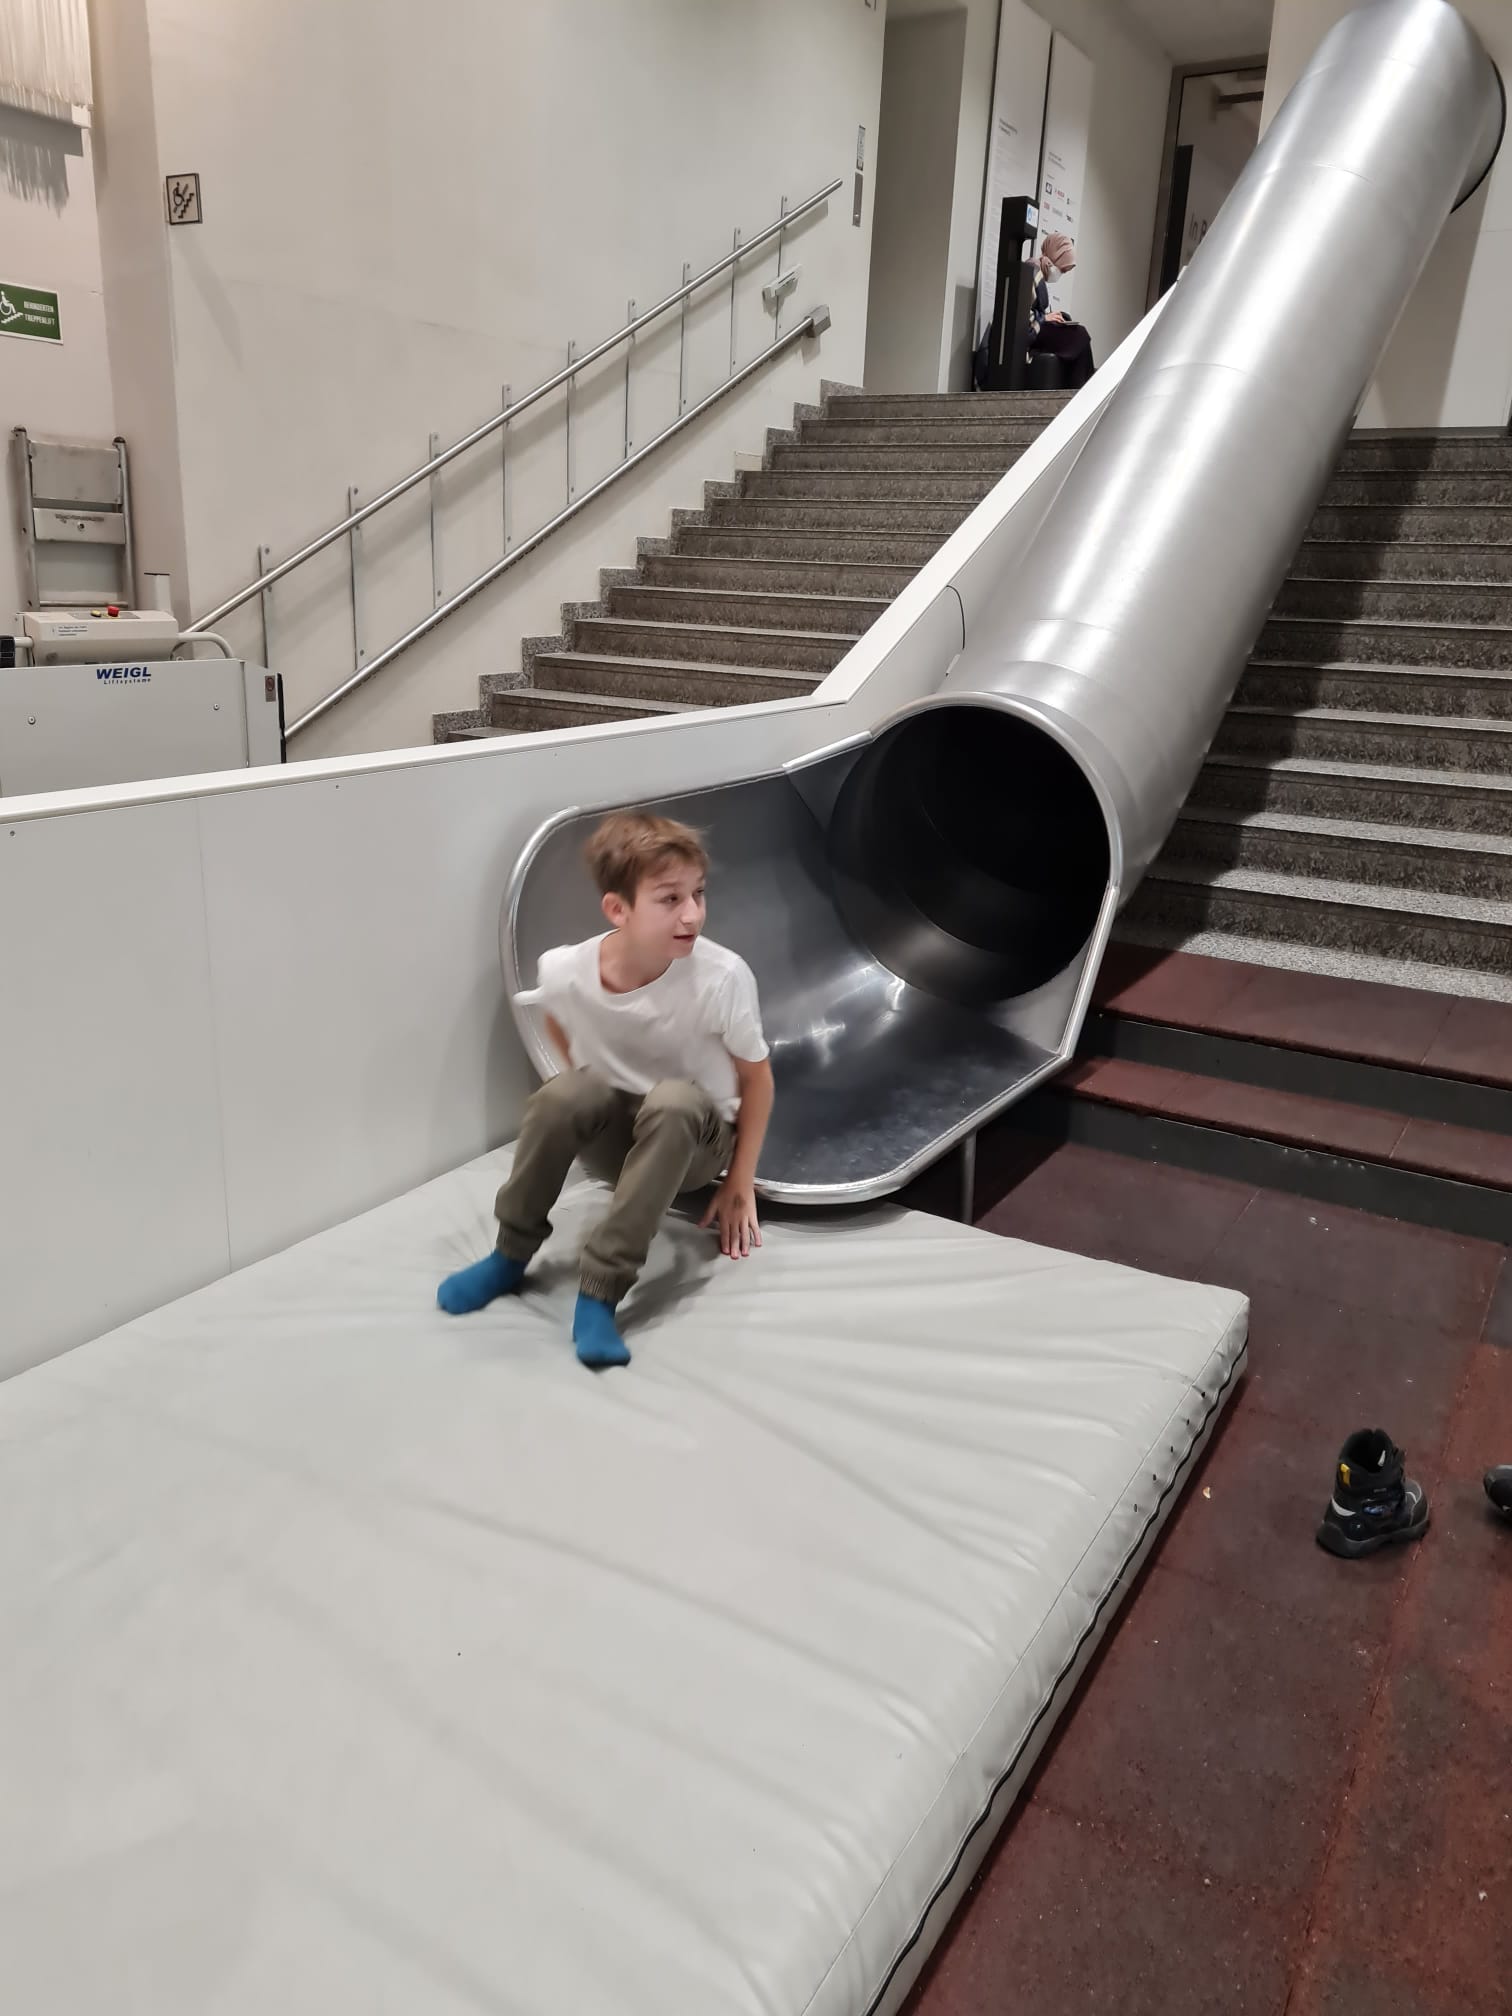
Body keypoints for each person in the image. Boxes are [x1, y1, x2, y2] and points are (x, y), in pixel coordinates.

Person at [437, 809, 775, 1370]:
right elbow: (556, 1023)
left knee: (673, 1101)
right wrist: (584, 1089)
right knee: (565, 1092)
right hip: (621, 1136)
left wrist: (740, 1179)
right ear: (618, 909)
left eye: (698, 893)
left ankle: (599, 1292)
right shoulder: (565, 970)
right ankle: (509, 1255)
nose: (692, 914)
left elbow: (757, 1077)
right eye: (670, 899)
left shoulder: (722, 977)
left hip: (695, 1140)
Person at [1030, 231, 1096, 389]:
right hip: (1033, 331)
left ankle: (1081, 387)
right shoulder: (1031, 272)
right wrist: (1044, 318)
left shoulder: (1037, 273)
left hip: (1037, 329)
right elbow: (1021, 316)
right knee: (1080, 335)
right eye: (1063, 270)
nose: (1061, 274)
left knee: (1074, 331)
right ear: (1055, 258)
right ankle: (1082, 387)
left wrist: (1049, 317)